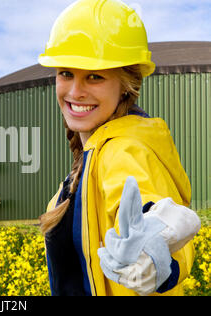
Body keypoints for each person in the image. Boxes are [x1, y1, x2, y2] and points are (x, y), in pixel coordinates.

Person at [38, 0, 201, 296]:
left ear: (126, 84)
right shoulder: (91, 158)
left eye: (95, 76)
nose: (75, 91)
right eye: (66, 73)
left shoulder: (123, 150)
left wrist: (155, 251)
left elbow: (148, 209)